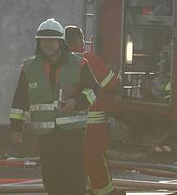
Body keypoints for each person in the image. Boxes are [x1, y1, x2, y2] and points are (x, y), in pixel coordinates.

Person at [9, 18, 102, 195]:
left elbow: (94, 89)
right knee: (51, 179)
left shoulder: (79, 64)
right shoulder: (29, 68)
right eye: (44, 40)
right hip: (46, 135)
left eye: (52, 40)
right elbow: (19, 101)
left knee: (73, 177)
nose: (48, 44)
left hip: (72, 133)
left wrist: (76, 102)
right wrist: (16, 129)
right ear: (39, 43)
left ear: (61, 42)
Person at [65, 25, 122, 195]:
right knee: (96, 164)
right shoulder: (89, 60)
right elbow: (112, 86)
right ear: (79, 40)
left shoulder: (59, 62)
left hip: (66, 127)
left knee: (72, 166)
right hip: (93, 127)